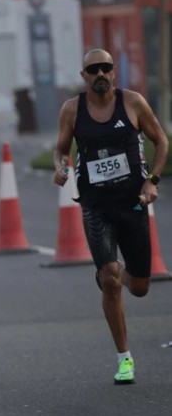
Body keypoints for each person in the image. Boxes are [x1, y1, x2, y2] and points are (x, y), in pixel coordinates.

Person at [53, 48, 168, 385]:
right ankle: (124, 358)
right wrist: (60, 167)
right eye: (93, 70)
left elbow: (161, 140)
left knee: (141, 287)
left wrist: (153, 181)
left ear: (113, 71)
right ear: (84, 76)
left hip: (132, 202)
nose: (100, 74)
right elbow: (61, 148)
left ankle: (120, 275)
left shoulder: (132, 102)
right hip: (96, 206)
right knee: (109, 278)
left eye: (105, 68)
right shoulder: (72, 109)